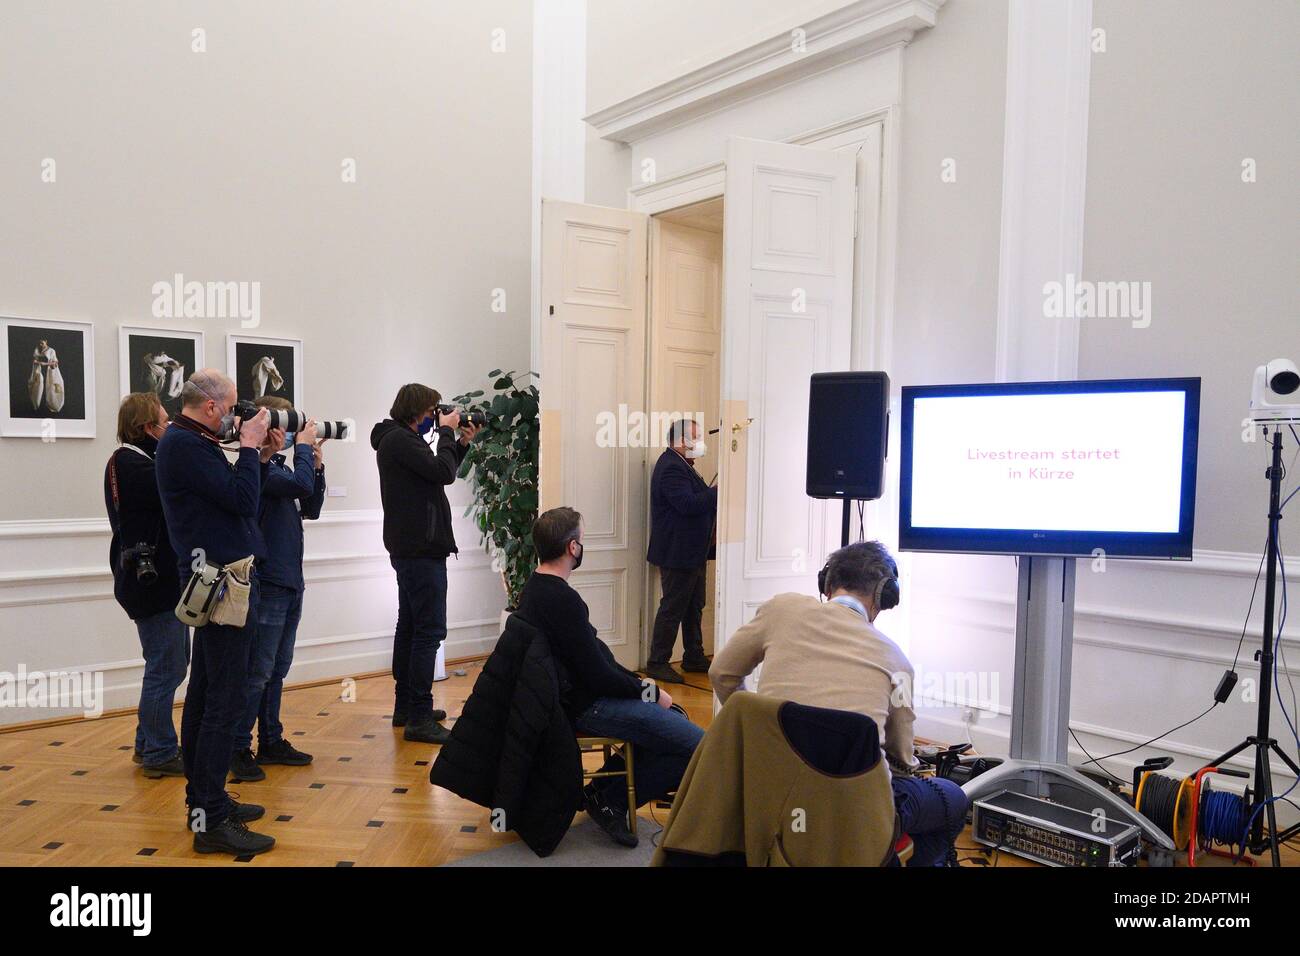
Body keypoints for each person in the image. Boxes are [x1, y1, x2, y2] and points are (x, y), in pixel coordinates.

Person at [709, 541, 969, 866]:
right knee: (952, 798)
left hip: (768, 796)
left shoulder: (781, 609)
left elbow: (721, 673)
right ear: (884, 595)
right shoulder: (896, 661)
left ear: (826, 582)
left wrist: (755, 725)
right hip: (853, 816)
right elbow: (901, 759)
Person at [515, 507, 705, 848]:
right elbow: (598, 675)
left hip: (579, 697)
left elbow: (594, 656)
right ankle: (611, 800)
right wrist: (649, 692)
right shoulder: (562, 599)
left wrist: (638, 684)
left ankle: (601, 792)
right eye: (582, 541)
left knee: (672, 726)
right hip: (588, 705)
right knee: (699, 746)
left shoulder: (535, 590)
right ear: (572, 548)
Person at [154, 368, 276, 856]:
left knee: (207, 693)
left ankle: (205, 802)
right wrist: (248, 447)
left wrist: (260, 455)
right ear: (211, 407)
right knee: (222, 699)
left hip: (221, 578)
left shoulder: (191, 442)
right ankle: (211, 820)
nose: (237, 413)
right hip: (223, 584)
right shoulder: (186, 445)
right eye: (233, 406)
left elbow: (236, 503)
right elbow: (242, 499)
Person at [370, 384, 480, 744]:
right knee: (428, 631)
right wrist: (448, 431)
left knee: (412, 625)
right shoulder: (401, 441)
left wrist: (460, 443)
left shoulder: (399, 440)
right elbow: (443, 473)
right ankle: (418, 715)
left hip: (414, 547)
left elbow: (438, 471)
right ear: (419, 409)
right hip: (420, 549)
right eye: (433, 410)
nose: (437, 416)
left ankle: (407, 707)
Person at [229, 395, 327, 782]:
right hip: (268, 581)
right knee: (258, 670)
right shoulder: (258, 470)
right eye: (284, 424)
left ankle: (270, 740)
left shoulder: (277, 468)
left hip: (289, 580)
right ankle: (238, 747)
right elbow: (299, 487)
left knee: (277, 668)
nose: (288, 432)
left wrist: (316, 464)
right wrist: (303, 450)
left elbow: (312, 504)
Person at [104, 392, 188, 778]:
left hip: (153, 580)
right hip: (149, 583)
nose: (169, 427)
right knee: (166, 667)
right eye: (164, 422)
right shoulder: (129, 462)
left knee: (168, 664)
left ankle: (148, 744)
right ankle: (158, 751)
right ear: (145, 428)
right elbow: (172, 488)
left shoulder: (136, 461)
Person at [644, 417, 717, 684]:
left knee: (694, 605)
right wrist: (717, 493)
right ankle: (657, 662)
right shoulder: (671, 467)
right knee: (673, 607)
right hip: (678, 552)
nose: (700, 443)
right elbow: (687, 504)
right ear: (681, 440)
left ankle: (694, 656)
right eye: (696, 437)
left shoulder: (683, 465)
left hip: (693, 552)